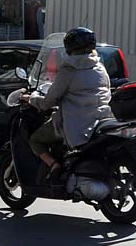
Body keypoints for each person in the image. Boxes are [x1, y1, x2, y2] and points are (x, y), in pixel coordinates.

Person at [27, 27, 114, 180]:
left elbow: (49, 101)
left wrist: (31, 99)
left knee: (35, 140)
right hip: (102, 119)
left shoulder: (69, 69)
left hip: (77, 123)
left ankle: (54, 165)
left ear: (68, 47)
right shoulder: (100, 67)